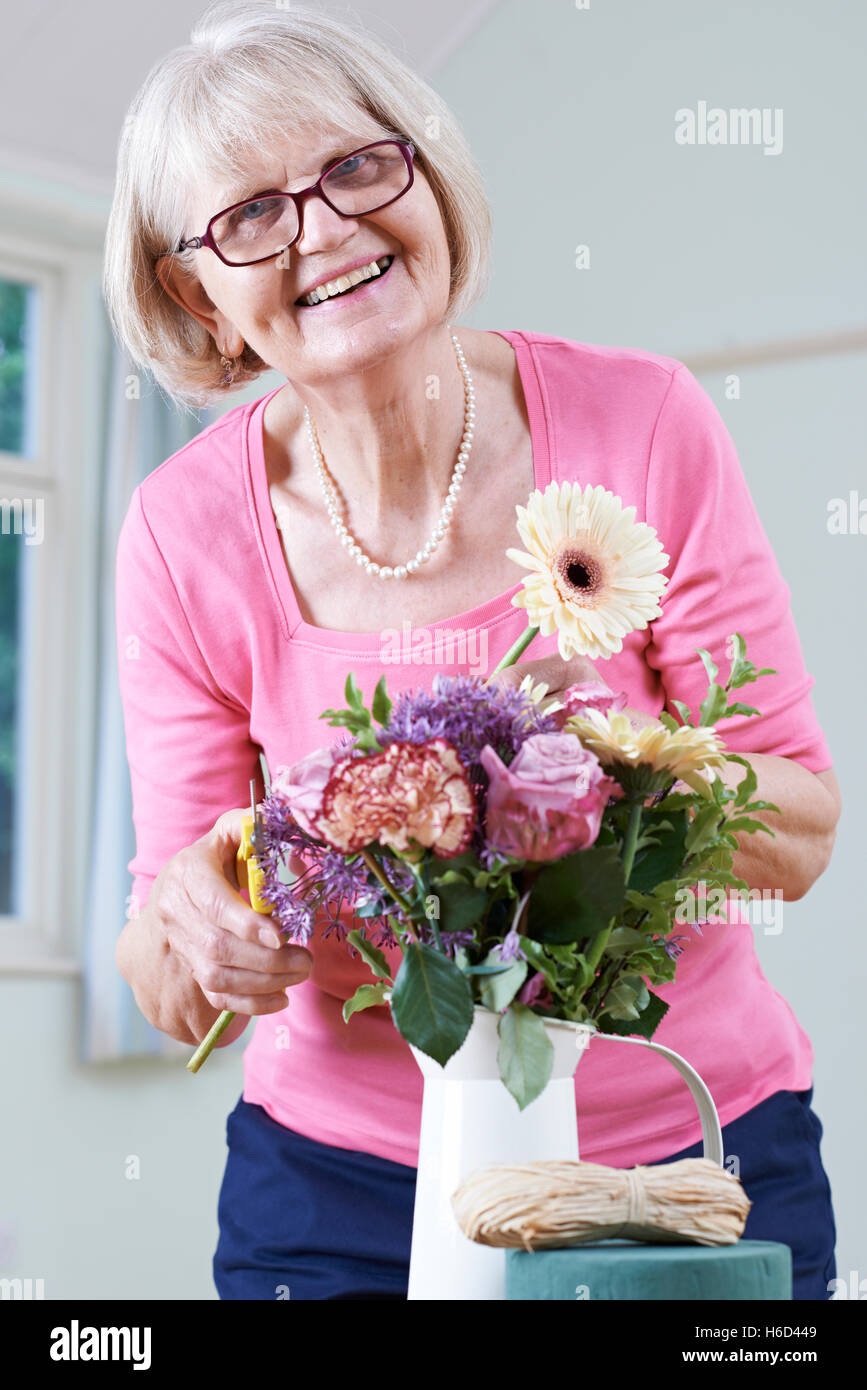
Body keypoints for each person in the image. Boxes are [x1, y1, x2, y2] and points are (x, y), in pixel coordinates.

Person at [105, 0, 841, 1301]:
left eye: (353, 166)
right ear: (195, 293)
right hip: (338, 1196)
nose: (326, 228)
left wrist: (570, 785)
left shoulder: (644, 420)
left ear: (426, 175)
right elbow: (176, 981)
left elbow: (799, 831)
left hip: (674, 1171)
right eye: (251, 215)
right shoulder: (180, 533)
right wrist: (192, 927)